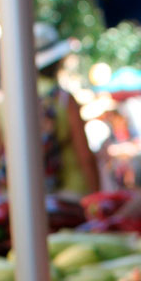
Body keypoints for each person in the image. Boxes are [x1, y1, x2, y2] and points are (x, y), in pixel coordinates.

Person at [36, 36, 100, 199]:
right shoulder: (63, 99)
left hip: (29, 193)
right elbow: (85, 156)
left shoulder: (8, 102)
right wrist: (97, 197)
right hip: (71, 194)